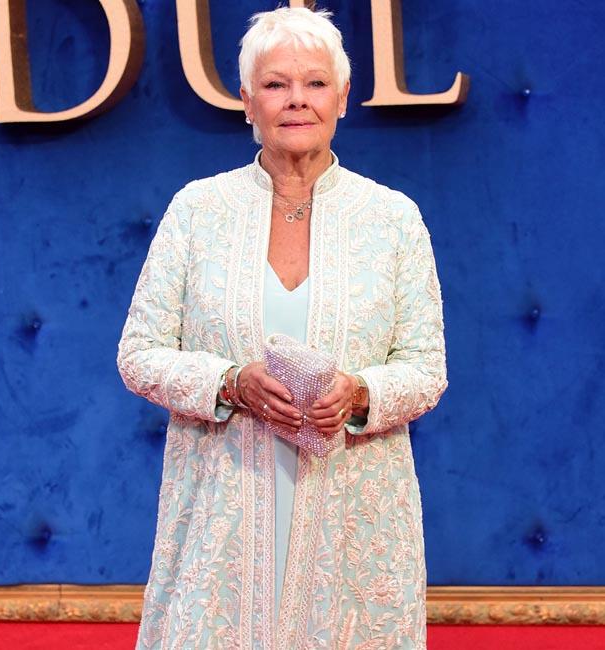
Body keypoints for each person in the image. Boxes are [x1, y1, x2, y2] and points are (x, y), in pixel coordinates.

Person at [117, 7, 447, 649]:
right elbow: (139, 353)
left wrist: (359, 393)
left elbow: (426, 368)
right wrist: (230, 382)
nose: (297, 99)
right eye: (275, 84)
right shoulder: (197, 210)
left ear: (342, 98)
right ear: (247, 101)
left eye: (315, 83)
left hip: (354, 516)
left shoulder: (393, 219)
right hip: (221, 512)